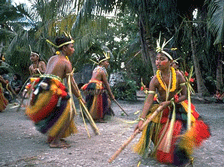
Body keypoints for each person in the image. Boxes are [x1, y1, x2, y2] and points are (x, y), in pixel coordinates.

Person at [134, 37, 210, 166]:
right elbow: (148, 101)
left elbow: (185, 95)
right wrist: (141, 120)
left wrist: (171, 102)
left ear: (171, 62)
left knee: (179, 130)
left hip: (177, 106)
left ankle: (181, 155)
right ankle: (161, 148)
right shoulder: (155, 80)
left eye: (162, 59)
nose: (158, 62)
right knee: (152, 128)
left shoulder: (179, 75)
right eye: (157, 59)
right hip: (161, 107)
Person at [25, 36, 85, 148]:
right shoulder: (66, 62)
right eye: (71, 47)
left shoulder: (52, 58)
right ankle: (55, 141)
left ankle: (53, 136)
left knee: (57, 112)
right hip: (53, 88)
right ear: (64, 48)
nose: (73, 49)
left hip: (43, 86)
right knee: (70, 112)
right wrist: (80, 97)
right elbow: (71, 82)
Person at [81, 53, 115, 123]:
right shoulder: (102, 71)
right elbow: (106, 84)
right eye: (106, 62)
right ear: (102, 62)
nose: (108, 63)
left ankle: (92, 116)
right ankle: (99, 118)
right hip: (97, 86)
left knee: (93, 102)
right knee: (102, 102)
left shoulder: (95, 69)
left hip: (90, 86)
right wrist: (111, 95)